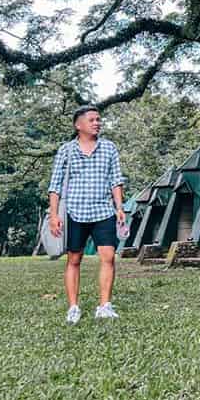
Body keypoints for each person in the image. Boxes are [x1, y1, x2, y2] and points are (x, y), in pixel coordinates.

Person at [47, 104, 125, 323]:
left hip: (103, 211)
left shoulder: (109, 148)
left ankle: (105, 306)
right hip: (74, 212)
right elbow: (55, 185)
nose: (97, 123)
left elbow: (116, 181)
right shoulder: (66, 150)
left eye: (98, 119)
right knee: (74, 259)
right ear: (78, 125)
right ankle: (73, 307)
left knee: (108, 257)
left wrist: (119, 208)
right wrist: (54, 215)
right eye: (92, 120)